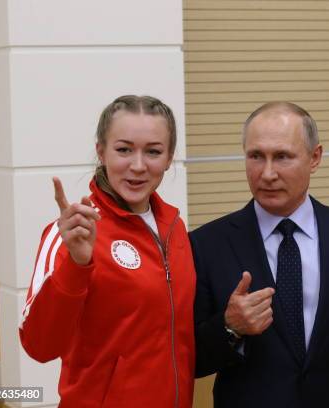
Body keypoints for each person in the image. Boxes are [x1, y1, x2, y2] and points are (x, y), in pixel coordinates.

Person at [190, 102, 329, 408]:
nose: (267, 173)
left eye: (282, 156)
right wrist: (230, 327)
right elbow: (192, 360)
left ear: (315, 157)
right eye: (256, 156)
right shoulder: (208, 244)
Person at [19, 95, 196, 408]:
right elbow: (39, 346)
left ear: (169, 158)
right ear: (101, 151)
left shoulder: (174, 229)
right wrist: (77, 263)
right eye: (124, 149)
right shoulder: (73, 233)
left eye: (153, 151)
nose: (138, 166)